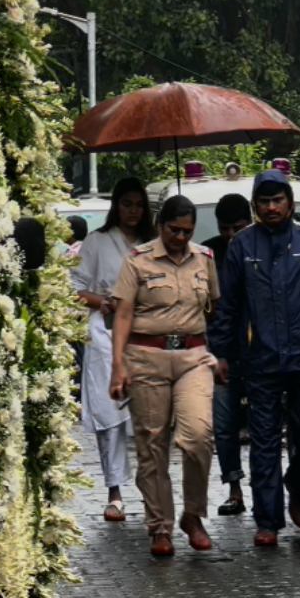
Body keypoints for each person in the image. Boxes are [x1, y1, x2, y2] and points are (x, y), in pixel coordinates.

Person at [208, 170, 300, 548]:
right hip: (261, 360)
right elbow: (229, 305)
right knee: (264, 442)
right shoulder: (242, 246)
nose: (271, 208)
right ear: (255, 205)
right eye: (264, 202)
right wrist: (222, 351)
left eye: (278, 201)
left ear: (289, 202)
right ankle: (268, 519)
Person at [108, 194, 217, 556]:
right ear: (160, 225)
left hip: (192, 356)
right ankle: (160, 526)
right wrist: (118, 366)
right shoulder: (137, 262)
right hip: (146, 356)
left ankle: (193, 514)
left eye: (187, 231)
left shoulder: (204, 259)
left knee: (199, 435)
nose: (181, 238)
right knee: (152, 444)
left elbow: (214, 308)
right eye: (174, 230)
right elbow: (122, 315)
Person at [71, 178, 156, 523]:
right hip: (105, 337)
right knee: (111, 416)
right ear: (116, 206)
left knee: (151, 416)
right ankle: (115, 491)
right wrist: (105, 302)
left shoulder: (155, 244)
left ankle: (153, 489)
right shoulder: (97, 242)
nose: (133, 211)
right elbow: (75, 289)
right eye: (127, 204)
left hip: (147, 337)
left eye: (138, 205)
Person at [201, 194, 253, 515]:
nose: (231, 235)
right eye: (225, 229)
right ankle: (234, 489)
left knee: (266, 424)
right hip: (221, 351)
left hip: (261, 353)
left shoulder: (261, 247)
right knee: (223, 424)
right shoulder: (207, 253)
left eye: (238, 227)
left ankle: (266, 487)